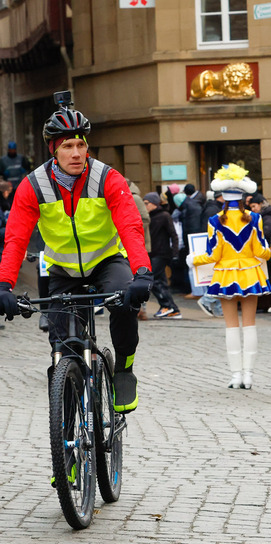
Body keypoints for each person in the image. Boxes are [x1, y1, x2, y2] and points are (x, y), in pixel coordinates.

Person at [0, 102, 153, 413]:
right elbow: (16, 239)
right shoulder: (33, 186)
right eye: (67, 146)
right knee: (61, 344)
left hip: (107, 262)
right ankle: (67, 422)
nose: (76, 153)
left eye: (81, 145)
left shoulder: (107, 178)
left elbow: (130, 226)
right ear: (53, 150)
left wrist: (142, 272)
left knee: (125, 305)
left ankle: (124, 370)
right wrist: (4, 285)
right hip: (62, 270)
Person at [187, 164, 271, 389]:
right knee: (250, 325)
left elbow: (213, 255)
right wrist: (268, 251)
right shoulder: (255, 218)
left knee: (231, 326)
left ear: (222, 196)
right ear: (243, 195)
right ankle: (248, 376)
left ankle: (235, 376)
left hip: (225, 276)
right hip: (250, 274)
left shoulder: (215, 220)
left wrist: (193, 259)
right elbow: (261, 251)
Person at [142, 192, 182, 319]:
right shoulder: (148, 216)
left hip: (161, 253)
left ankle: (167, 306)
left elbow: (173, 235)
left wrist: (175, 253)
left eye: (146, 203)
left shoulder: (164, 215)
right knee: (161, 281)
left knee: (152, 280)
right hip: (152, 253)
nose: (145, 206)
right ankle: (171, 308)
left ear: (154, 203)